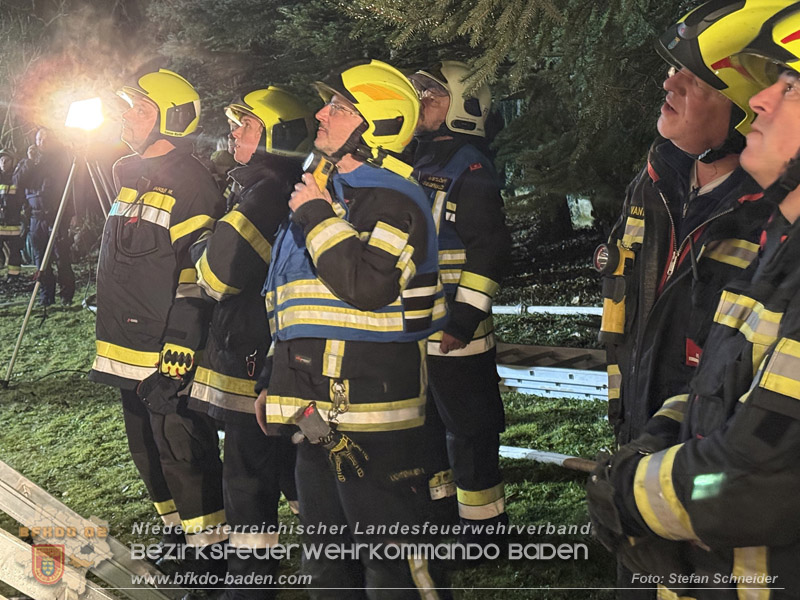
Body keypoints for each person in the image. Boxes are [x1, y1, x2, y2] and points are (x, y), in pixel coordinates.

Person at [587, 4, 800, 597]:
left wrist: (625, 496)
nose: (760, 100)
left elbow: (751, 478)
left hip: (705, 524)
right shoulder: (652, 185)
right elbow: (714, 373)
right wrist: (641, 448)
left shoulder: (763, 219)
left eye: (787, 88)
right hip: (662, 479)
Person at [255, 59, 450, 597]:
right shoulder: (324, 193)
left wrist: (318, 218)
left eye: (340, 108)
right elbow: (294, 305)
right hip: (315, 410)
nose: (322, 113)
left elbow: (368, 287)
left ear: (377, 126)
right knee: (326, 565)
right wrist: (274, 381)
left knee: (394, 566)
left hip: (375, 417)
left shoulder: (395, 200)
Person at [88, 69, 226, 572]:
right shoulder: (133, 176)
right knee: (147, 451)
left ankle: (210, 554)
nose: (126, 117)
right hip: (126, 349)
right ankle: (176, 534)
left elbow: (197, 275)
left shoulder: (191, 185)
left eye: (140, 110)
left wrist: (181, 346)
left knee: (183, 453)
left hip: (165, 351)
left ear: (172, 120)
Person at [189, 87, 313, 599]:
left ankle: (251, 585)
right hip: (266, 349)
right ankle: (337, 555)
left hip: (252, 355)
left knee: (247, 475)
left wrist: (203, 241)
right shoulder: (274, 186)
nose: (234, 133)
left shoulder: (262, 194)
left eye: (246, 125)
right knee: (289, 465)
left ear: (272, 135)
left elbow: (216, 276)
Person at [408, 61, 512, 539]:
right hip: (416, 331)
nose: (420, 101)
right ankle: (442, 522)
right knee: (427, 432)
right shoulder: (415, 160)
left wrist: (464, 321)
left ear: (464, 106)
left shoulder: (470, 164)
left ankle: (485, 532)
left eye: (432, 93)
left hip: (455, 332)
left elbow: (489, 250)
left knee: (470, 432)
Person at [14, 128, 74, 305]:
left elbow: (71, 188)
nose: (43, 142)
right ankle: (46, 297)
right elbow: (17, 182)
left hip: (57, 217)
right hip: (35, 219)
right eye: (40, 139)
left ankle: (66, 296)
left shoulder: (61, 161)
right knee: (41, 260)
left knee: (62, 257)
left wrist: (73, 214)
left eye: (47, 139)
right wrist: (30, 162)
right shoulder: (28, 162)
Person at [0, 149, 23, 280]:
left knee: (15, 251)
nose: (3, 163)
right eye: (1, 160)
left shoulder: (17, 177)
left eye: (6, 160)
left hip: (13, 221)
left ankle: (13, 276)